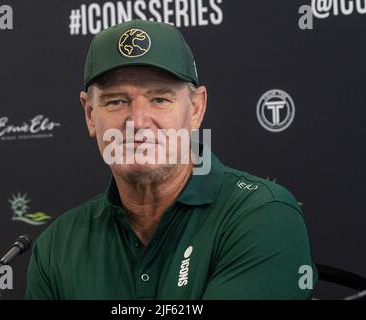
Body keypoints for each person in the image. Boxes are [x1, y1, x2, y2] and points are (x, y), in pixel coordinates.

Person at [25, 19, 317, 300]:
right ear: (90, 114)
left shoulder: (263, 214)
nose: (137, 121)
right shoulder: (56, 246)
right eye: (116, 101)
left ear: (195, 109)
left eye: (159, 99)